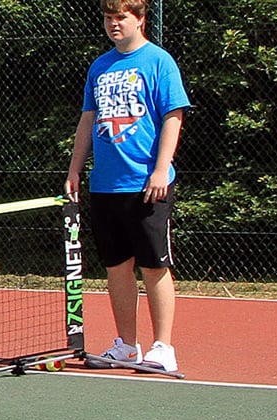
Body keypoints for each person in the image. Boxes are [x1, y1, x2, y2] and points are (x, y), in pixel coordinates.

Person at [63, 0, 188, 373]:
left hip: (147, 184)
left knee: (153, 266)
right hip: (106, 185)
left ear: (140, 19)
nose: (113, 24)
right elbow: (88, 120)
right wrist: (74, 170)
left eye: (121, 17)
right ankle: (127, 346)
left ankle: (163, 347)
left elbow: (173, 116)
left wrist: (161, 169)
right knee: (116, 267)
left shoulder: (159, 62)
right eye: (108, 18)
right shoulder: (99, 67)